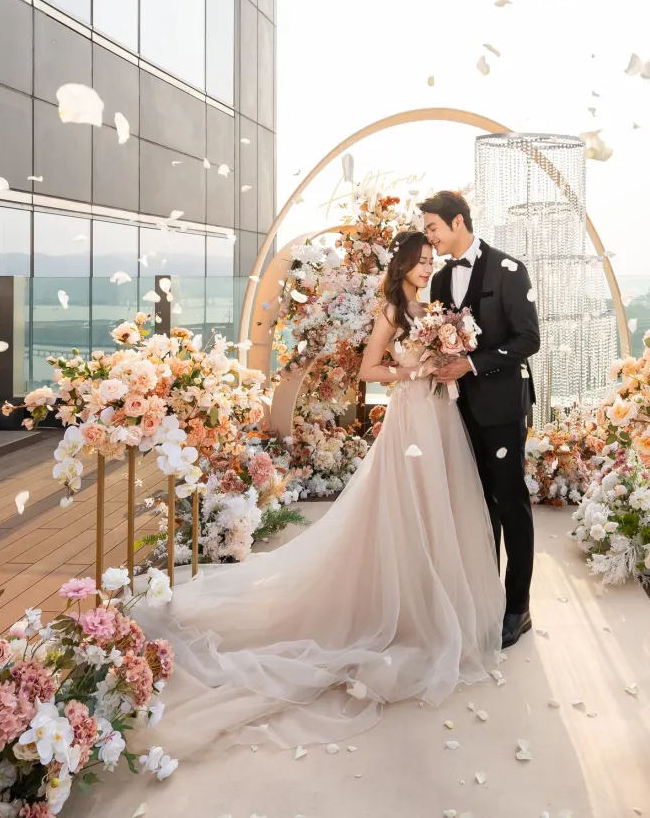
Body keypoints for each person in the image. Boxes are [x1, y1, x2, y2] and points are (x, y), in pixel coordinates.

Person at [119, 230, 504, 760]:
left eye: (430, 259)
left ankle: (433, 600)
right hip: (411, 416)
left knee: (442, 507)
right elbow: (369, 368)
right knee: (405, 507)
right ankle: (398, 608)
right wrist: (418, 369)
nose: (424, 267)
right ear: (402, 265)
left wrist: (449, 354)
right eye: (417, 261)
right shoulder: (392, 309)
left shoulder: (433, 306)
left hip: (440, 416)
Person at [420, 189, 541, 649]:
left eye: (433, 228)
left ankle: (517, 607)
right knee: (476, 505)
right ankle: (484, 599)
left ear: (457, 223)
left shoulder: (509, 269)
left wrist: (471, 364)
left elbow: (528, 339)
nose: (429, 238)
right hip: (459, 411)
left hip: (504, 409)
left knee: (511, 504)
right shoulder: (438, 281)